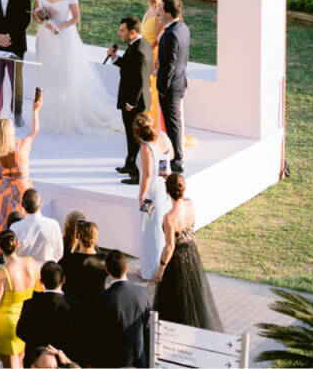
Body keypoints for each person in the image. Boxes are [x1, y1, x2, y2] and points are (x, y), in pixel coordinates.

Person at [31, 0, 119, 134]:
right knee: (46, 72)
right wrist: (42, 20)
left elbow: (77, 18)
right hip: (44, 38)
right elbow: (35, 14)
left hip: (62, 37)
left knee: (64, 72)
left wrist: (58, 27)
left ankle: (67, 114)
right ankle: (47, 111)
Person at [150, 173, 224, 330]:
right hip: (191, 252)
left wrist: (161, 268)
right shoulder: (190, 204)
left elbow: (170, 246)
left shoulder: (169, 218)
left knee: (175, 298)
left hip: (177, 258)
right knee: (193, 294)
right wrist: (169, 178)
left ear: (166, 192)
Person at [0, 89, 42, 247]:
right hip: (22, 190)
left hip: (2, 192)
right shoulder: (22, 147)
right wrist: (35, 111)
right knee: (24, 222)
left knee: (0, 223)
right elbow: (35, 131)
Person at [106, 15, 153, 179]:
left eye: (122, 31)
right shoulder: (140, 44)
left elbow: (139, 79)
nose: (120, 33)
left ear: (132, 32)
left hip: (135, 103)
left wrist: (131, 103)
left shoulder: (139, 50)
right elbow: (129, 66)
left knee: (135, 137)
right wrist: (114, 58)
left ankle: (136, 173)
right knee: (131, 135)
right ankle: (130, 164)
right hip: (135, 100)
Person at [0, 229, 37, 369]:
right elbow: (38, 289)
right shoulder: (31, 263)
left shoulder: (1, 273)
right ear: (17, 244)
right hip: (26, 320)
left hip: (6, 325)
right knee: (21, 363)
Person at [95, 250, 152, 369]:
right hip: (137, 360)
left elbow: (99, 334)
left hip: (112, 361)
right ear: (127, 268)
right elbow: (147, 327)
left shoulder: (102, 299)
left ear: (107, 271)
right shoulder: (143, 293)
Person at [134, 116, 174, 279]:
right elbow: (170, 156)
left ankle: (149, 270)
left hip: (151, 193)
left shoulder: (146, 148)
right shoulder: (163, 137)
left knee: (149, 230)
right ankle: (159, 266)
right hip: (164, 188)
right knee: (161, 228)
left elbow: (147, 175)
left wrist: (141, 196)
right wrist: (162, 170)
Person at [155, 0, 191, 173]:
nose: (158, 15)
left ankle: (177, 160)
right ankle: (173, 157)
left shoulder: (170, 35)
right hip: (179, 81)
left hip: (170, 87)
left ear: (168, 14)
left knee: (172, 124)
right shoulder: (183, 28)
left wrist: (162, 88)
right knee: (173, 122)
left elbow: (169, 65)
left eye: (160, 11)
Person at [15, 260, 71, 367]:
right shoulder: (72, 306)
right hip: (62, 359)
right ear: (63, 280)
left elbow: (20, 332)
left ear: (41, 281)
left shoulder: (30, 303)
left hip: (34, 359)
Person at [59, 221, 106, 326]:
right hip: (95, 310)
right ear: (96, 239)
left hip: (73, 310)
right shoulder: (104, 261)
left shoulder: (68, 260)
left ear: (79, 237)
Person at [139, 0, 167, 132]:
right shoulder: (150, 9)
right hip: (145, 54)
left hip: (154, 56)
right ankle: (146, 124)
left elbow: (160, 39)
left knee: (153, 92)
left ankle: (154, 128)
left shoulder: (160, 13)